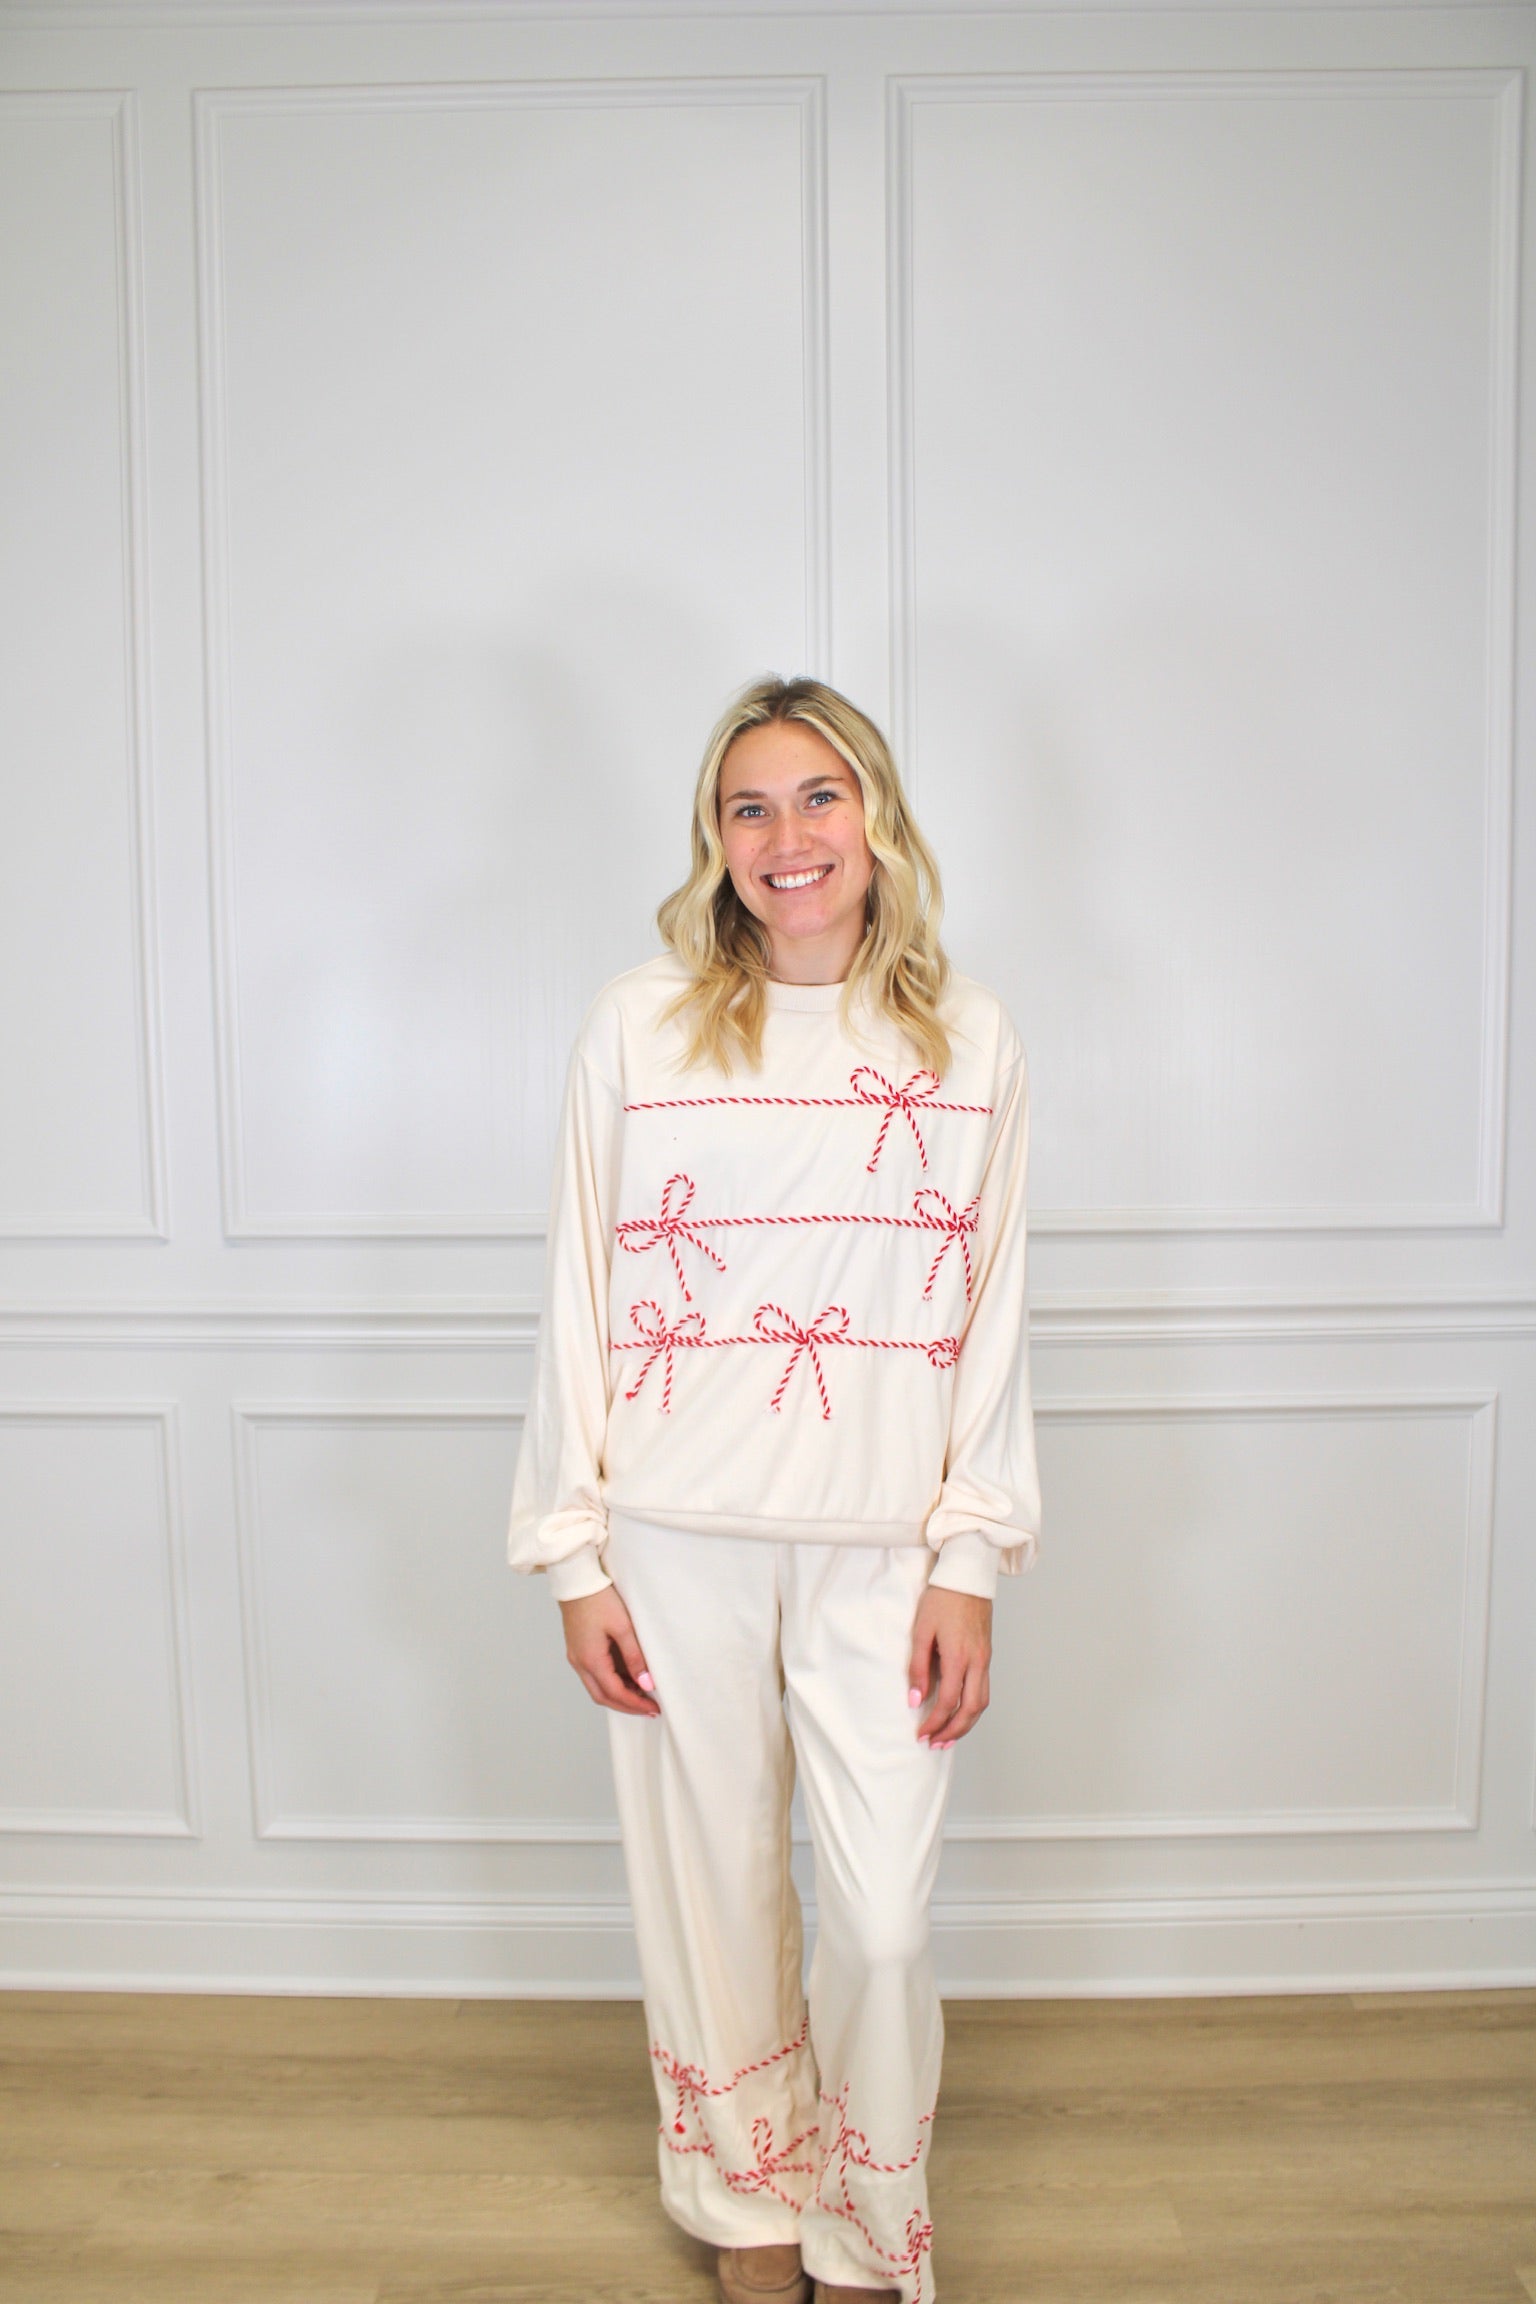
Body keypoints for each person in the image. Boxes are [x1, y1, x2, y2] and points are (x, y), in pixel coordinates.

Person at [508, 675, 1041, 2304]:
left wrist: (971, 1559)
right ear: (714, 839)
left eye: (819, 797)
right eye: (749, 806)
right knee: (714, 1902)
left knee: (879, 1924)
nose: (785, 836)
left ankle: (868, 2226)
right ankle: (748, 2204)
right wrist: (575, 1554)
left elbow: (993, 1313)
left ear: (875, 821)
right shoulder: (639, 1026)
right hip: (675, 1539)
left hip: (886, 1552)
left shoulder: (968, 1042)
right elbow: (577, 1296)